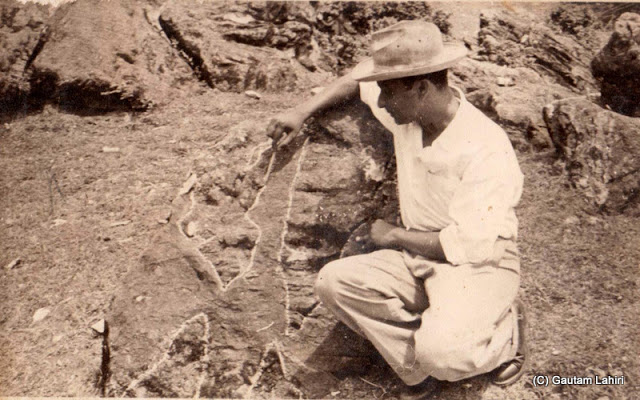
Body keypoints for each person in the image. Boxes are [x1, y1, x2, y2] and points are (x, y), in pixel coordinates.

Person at [267, 20, 528, 399]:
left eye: (388, 91)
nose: (381, 102)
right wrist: (301, 110)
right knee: (333, 282)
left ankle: (505, 335)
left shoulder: (486, 147)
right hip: (416, 260)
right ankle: (419, 368)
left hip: (479, 264)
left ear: (421, 88)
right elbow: (358, 79)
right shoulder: (409, 113)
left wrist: (391, 236)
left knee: (445, 353)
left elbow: (468, 247)